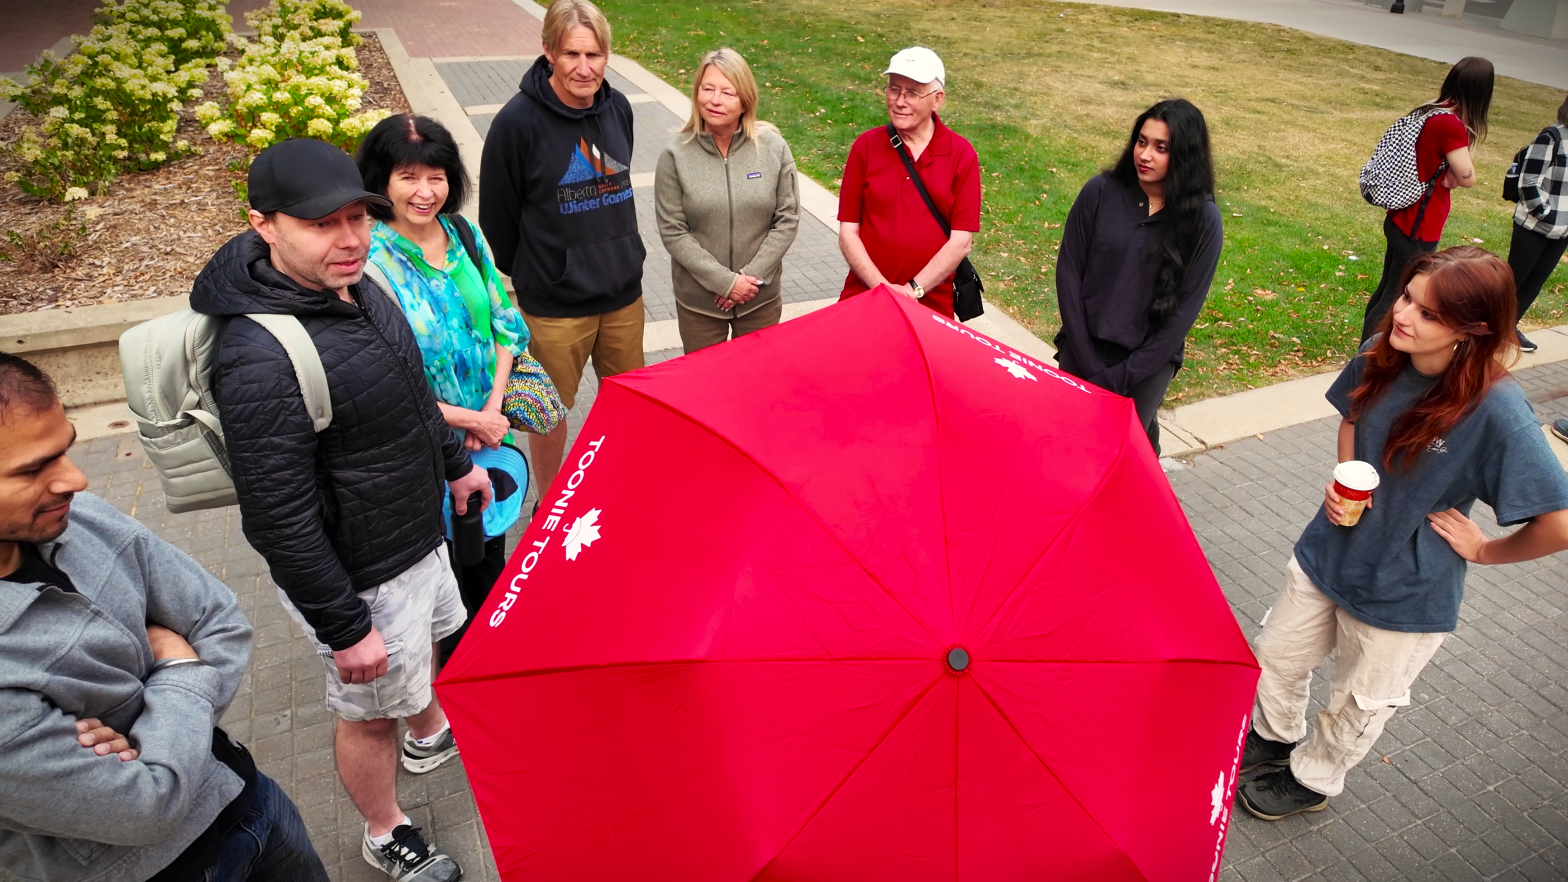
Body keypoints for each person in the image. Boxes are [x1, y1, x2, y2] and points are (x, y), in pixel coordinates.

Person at [190, 138, 492, 882]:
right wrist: (344, 625)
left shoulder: (355, 285)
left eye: (358, 217)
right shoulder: (258, 356)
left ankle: (430, 733)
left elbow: (410, 390)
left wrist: (455, 469)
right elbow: (278, 516)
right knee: (368, 710)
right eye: (324, 224)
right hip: (362, 576)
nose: (351, 238)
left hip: (414, 534)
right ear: (265, 226)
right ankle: (384, 830)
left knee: (420, 657)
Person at [1236, 247, 1568, 821]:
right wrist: (1344, 479)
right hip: (1329, 552)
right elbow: (1352, 416)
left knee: (1354, 703)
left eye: (1430, 313)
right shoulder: (1384, 351)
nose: (1405, 316)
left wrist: (1484, 550)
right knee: (1277, 654)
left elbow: (1558, 523)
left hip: (1405, 591)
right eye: (1407, 297)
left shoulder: (1497, 409)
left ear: (1473, 330)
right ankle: (1274, 732)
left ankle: (1314, 778)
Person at [0, 353, 329, 881]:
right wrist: (175, 669)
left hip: (249, 801)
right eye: (33, 469)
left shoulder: (76, 519)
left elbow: (220, 620)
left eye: (64, 450)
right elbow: (144, 809)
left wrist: (150, 742)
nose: (77, 480)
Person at [358, 113, 534, 662]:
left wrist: (493, 404)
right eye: (408, 176)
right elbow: (382, 377)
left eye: (436, 176)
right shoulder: (368, 260)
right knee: (445, 580)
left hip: (490, 430)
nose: (425, 191)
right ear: (381, 180)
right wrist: (467, 422)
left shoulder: (463, 233)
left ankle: (495, 665)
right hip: (426, 445)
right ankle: (456, 684)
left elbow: (504, 320)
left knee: (489, 556)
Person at [480, 0, 644, 500]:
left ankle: (619, 488)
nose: (584, 67)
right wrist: (539, 273)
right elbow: (497, 217)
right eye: (572, 53)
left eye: (594, 54)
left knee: (628, 406)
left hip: (622, 298)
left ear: (607, 55)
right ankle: (549, 504)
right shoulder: (516, 123)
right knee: (548, 414)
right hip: (554, 307)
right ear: (548, 51)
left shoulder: (618, 108)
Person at [1053, 98, 1223, 455]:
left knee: (1116, 454)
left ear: (1185, 156)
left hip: (1147, 364)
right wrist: (1085, 358)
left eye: (1161, 148)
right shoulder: (1099, 192)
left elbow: (1182, 315)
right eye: (1142, 142)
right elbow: (1069, 272)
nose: (1145, 155)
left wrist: (1121, 377)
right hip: (1083, 344)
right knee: (1065, 444)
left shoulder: (1204, 221)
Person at [655, 48, 800, 353]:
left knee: (758, 388)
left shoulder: (773, 148)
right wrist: (725, 282)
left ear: (745, 100)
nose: (715, 100)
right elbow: (673, 232)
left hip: (759, 302)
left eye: (727, 92)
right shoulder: (675, 154)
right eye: (707, 89)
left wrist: (749, 279)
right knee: (704, 393)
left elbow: (787, 219)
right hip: (700, 306)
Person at [837, 46, 980, 319]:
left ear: (937, 99)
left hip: (930, 308)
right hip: (863, 299)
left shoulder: (961, 155)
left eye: (912, 92)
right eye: (894, 89)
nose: (900, 101)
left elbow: (961, 241)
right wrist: (883, 288)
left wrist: (913, 290)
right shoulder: (865, 147)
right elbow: (848, 234)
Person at [1361, 57, 1494, 343]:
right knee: (1396, 297)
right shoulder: (1452, 125)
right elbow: (1468, 176)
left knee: (1387, 289)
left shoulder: (1430, 111)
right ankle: (1368, 358)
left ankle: (1366, 351)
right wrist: (1457, 177)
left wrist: (1452, 175)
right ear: (1482, 92)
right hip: (1419, 225)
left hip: (1401, 216)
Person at [1507, 92, 1568, 354]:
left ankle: (1509, 328)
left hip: (1563, 231)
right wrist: (1545, 213)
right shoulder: (1551, 137)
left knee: (1535, 282)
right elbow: (1528, 182)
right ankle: (1483, 330)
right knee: (1512, 282)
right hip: (1533, 226)